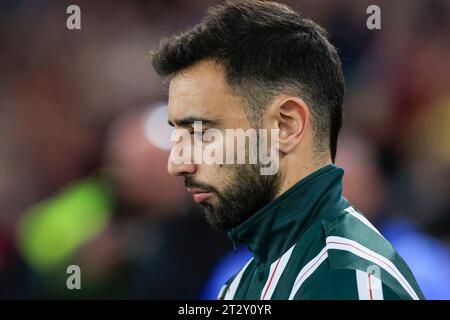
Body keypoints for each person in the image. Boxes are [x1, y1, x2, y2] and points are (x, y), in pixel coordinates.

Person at [150, 0, 424, 300]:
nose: (176, 164)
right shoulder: (237, 286)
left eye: (201, 133)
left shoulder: (352, 282)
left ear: (286, 126)